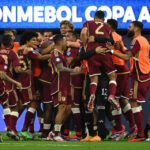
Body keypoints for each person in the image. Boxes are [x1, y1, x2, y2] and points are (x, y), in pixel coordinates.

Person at [106, 21, 150, 141]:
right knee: (135, 104)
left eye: (130, 27)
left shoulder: (136, 41)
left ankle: (140, 134)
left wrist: (112, 51)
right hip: (144, 74)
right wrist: (122, 48)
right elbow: (131, 53)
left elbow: (127, 57)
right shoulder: (143, 40)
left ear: (136, 29)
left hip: (139, 75)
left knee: (135, 104)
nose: (128, 29)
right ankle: (139, 132)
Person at [80, 10, 119, 112]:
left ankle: (92, 95)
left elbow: (83, 32)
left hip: (93, 53)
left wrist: (85, 43)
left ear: (94, 18)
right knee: (112, 76)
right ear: (103, 19)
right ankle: (111, 95)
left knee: (94, 79)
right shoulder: (107, 26)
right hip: (105, 53)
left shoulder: (88, 23)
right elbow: (111, 41)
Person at [106, 19, 137, 140]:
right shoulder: (117, 36)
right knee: (123, 100)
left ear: (110, 27)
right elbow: (124, 50)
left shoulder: (112, 36)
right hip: (122, 69)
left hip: (118, 69)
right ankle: (133, 126)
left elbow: (121, 51)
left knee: (115, 100)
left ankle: (119, 130)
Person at [16, 31, 50, 140]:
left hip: (21, 80)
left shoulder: (19, 50)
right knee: (33, 104)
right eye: (33, 40)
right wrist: (55, 53)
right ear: (27, 41)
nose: (35, 42)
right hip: (27, 81)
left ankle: (20, 129)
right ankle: (23, 130)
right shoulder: (28, 49)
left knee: (28, 105)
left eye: (36, 40)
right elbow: (40, 57)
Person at [48, 34, 81, 142]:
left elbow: (65, 72)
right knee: (62, 108)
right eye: (65, 41)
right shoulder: (55, 53)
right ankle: (56, 134)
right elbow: (61, 69)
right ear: (60, 42)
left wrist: (78, 71)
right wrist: (73, 70)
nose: (66, 43)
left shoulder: (61, 54)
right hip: (58, 85)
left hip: (65, 84)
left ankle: (53, 132)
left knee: (68, 108)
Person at [0, 35, 29, 140]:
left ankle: (9, 128)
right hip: (6, 84)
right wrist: (25, 72)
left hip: (3, 83)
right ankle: (10, 128)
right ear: (11, 43)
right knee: (15, 106)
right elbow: (16, 70)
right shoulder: (12, 53)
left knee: (6, 106)